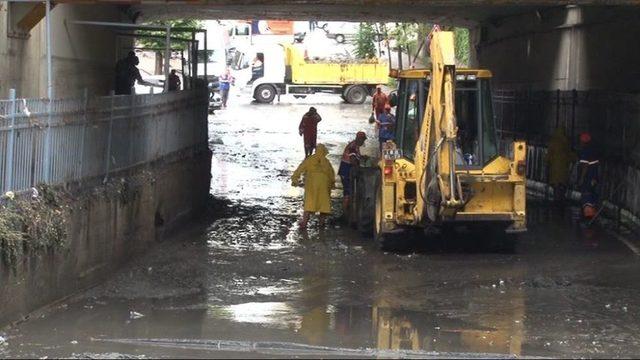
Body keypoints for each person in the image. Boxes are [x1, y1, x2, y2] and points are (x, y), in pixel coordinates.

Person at [291, 144, 336, 229]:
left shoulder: (310, 159)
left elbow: (300, 168)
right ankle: (321, 223)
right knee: (324, 204)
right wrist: (332, 184)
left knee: (309, 203)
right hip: (324, 185)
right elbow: (331, 174)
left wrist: (295, 179)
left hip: (311, 185)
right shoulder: (326, 162)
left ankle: (304, 223)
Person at [338, 131, 368, 215]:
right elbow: (352, 160)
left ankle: (347, 211)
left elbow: (355, 156)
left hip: (346, 170)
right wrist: (359, 168)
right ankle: (345, 213)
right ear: (359, 139)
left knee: (349, 191)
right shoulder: (353, 146)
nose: (363, 142)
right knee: (348, 192)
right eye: (363, 140)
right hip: (346, 170)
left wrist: (361, 157)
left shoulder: (355, 146)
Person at [545, 127, 576, 203]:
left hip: (554, 169)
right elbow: (571, 155)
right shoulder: (566, 143)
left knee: (556, 185)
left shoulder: (553, 142)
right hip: (564, 170)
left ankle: (556, 201)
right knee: (562, 185)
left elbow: (548, 156)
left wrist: (547, 163)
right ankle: (561, 200)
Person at [576, 132, 599, 219]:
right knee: (592, 195)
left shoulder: (585, 151)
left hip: (588, 178)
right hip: (594, 177)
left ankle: (588, 215)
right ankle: (592, 213)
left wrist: (581, 178)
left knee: (587, 195)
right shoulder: (593, 150)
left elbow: (585, 166)